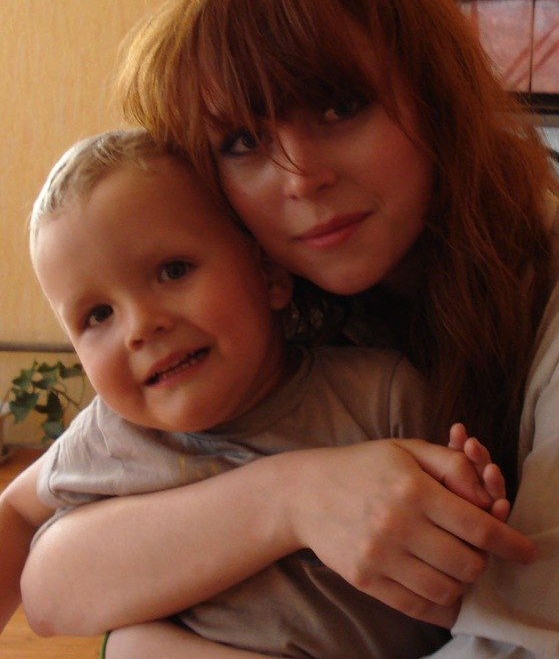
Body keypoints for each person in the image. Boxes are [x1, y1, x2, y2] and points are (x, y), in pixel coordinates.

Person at [20, 0, 559, 658]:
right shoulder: (275, 318)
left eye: (338, 107)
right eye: (242, 142)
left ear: (434, 94)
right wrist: (289, 496)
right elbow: (37, 546)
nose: (301, 177)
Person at [0, 128, 509, 658]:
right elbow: (16, 514)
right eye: (97, 315)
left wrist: (470, 506)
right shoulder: (109, 436)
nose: (140, 327)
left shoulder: (380, 396)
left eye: (173, 271)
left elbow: (474, 586)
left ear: (268, 274)